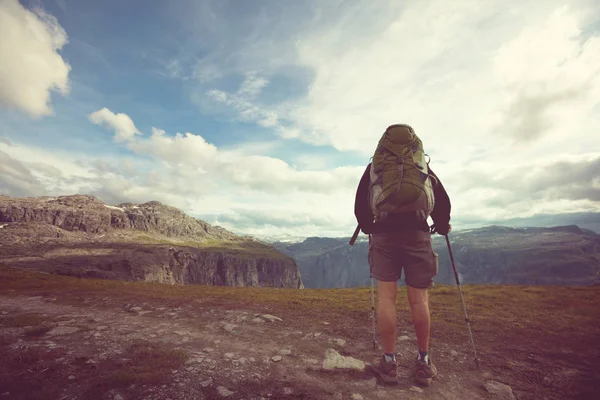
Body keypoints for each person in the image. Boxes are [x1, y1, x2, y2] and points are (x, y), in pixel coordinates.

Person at [353, 125, 451, 386]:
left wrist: (369, 226)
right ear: (413, 144)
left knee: (387, 298)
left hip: (384, 237)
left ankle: (389, 362)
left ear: (383, 143)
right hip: (417, 235)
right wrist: (442, 224)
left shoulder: (376, 166)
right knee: (419, 301)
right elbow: (441, 200)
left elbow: (361, 205)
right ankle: (424, 361)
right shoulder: (420, 166)